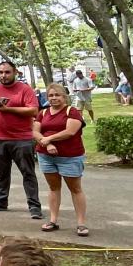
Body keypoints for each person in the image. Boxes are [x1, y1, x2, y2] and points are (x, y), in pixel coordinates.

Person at [0, 60, 42, 219]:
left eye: (7, 72)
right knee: (1, 173)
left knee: (28, 173)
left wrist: (8, 109)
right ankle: (0, 201)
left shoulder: (25, 90)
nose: (3, 75)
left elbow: (33, 111)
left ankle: (34, 206)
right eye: (1, 72)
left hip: (21, 139)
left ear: (15, 72)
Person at [33, 83, 89, 237]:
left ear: (64, 97)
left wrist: (48, 138)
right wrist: (47, 143)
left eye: (57, 95)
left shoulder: (72, 112)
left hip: (69, 157)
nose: (53, 98)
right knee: (53, 187)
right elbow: (35, 132)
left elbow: (70, 132)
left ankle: (81, 224)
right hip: (46, 156)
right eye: (50, 95)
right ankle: (53, 220)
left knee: (75, 188)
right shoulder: (42, 113)